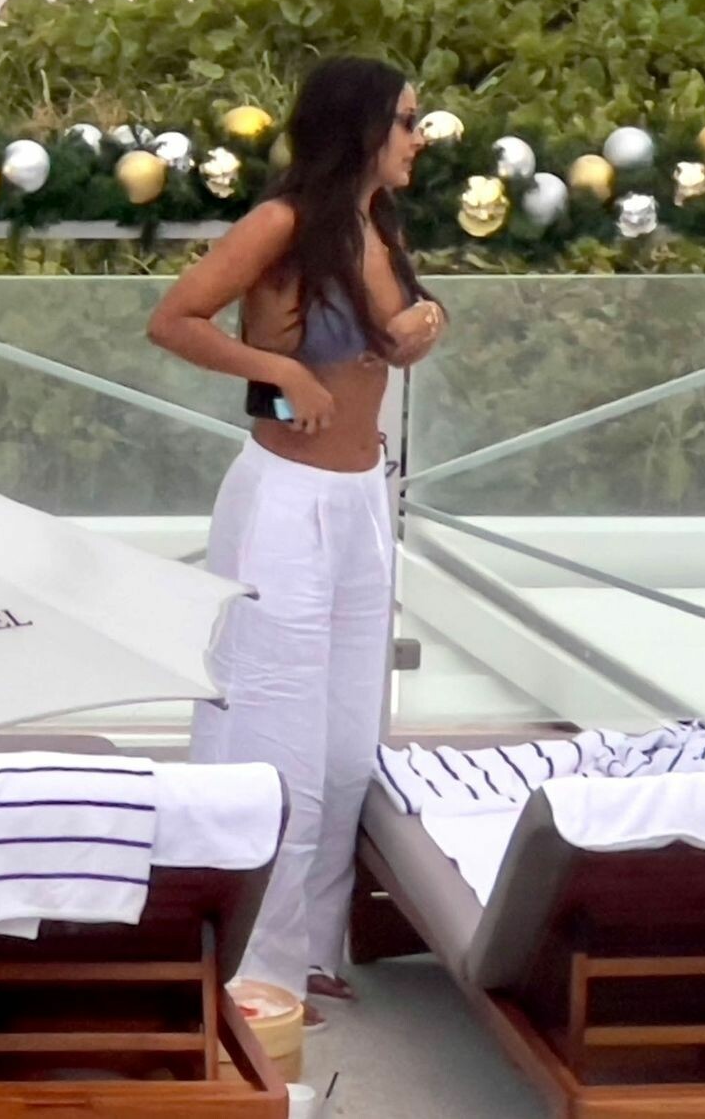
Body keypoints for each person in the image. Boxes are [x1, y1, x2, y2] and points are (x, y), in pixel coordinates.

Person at [147, 58, 443, 1026]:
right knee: (276, 732)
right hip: (285, 502)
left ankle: (311, 946)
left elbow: (383, 336)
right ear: (361, 127)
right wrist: (278, 372)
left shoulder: (378, 225)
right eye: (406, 121)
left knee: (348, 741)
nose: (418, 138)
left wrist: (422, 325)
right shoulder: (281, 224)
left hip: (361, 499)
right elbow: (174, 320)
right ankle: (253, 966)